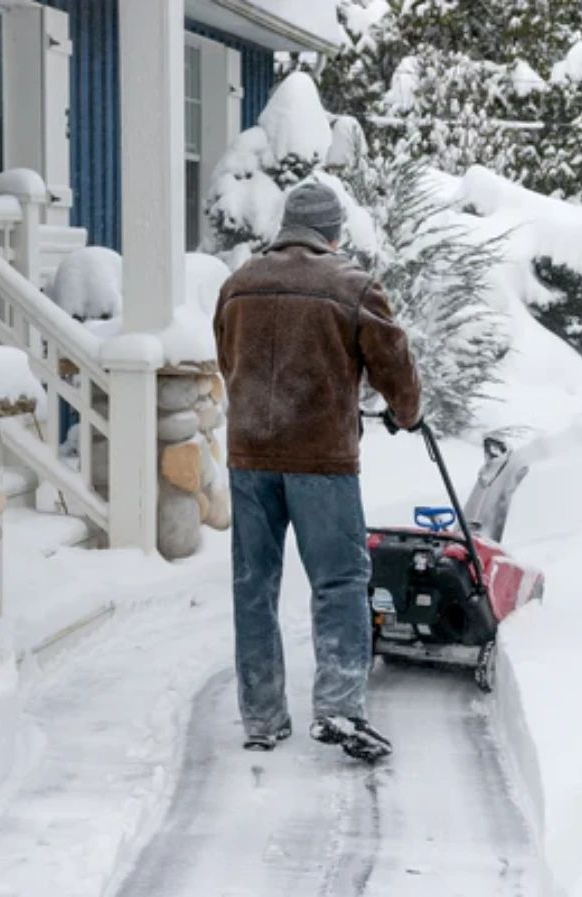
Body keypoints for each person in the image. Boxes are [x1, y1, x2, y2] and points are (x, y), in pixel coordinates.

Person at [212, 181, 422, 762]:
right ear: (333, 232)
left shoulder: (237, 285)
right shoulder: (351, 286)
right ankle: (339, 708)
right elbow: (394, 364)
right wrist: (408, 411)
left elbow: (227, 359)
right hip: (320, 460)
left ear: (285, 227)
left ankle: (261, 717)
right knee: (340, 582)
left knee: (254, 586)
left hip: (250, 456)